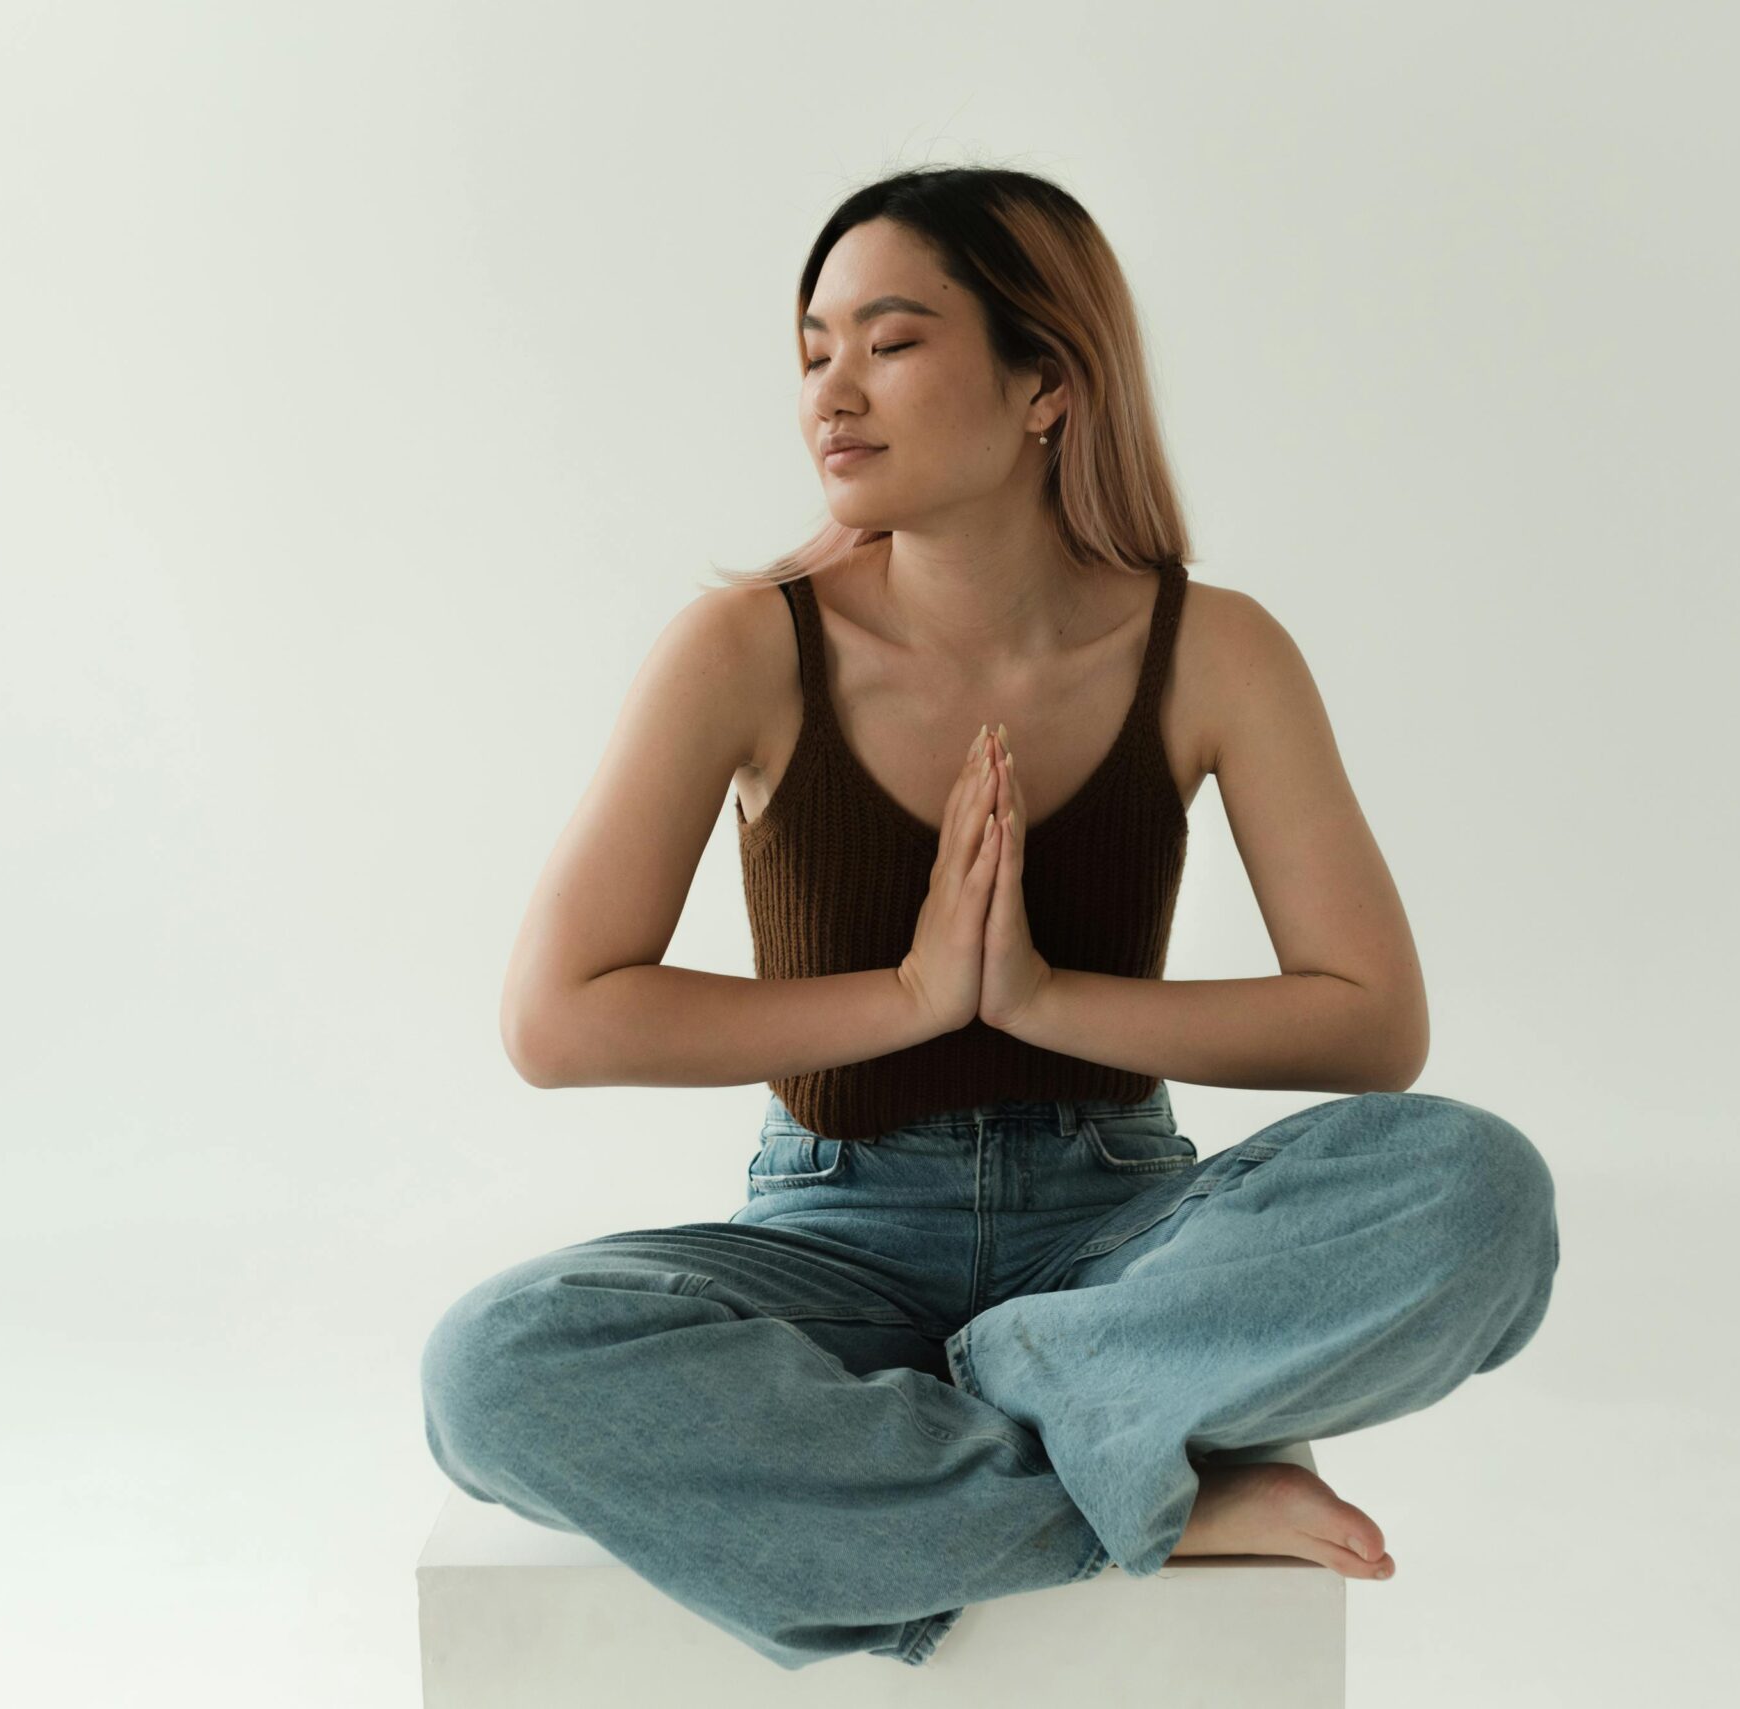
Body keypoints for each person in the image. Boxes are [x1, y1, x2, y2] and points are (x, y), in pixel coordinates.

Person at [420, 164, 1558, 1672]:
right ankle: (1124, 1479)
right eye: (813, 348)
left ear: (1046, 383)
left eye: (889, 343)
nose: (833, 391)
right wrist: (905, 995)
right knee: (493, 1372)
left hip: (1120, 1232)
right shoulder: (745, 646)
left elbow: (1370, 1017)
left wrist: (1033, 997)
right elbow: (557, 1016)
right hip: (834, 1236)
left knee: (1481, 1190)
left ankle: (1031, 1397)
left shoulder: (1213, 648)